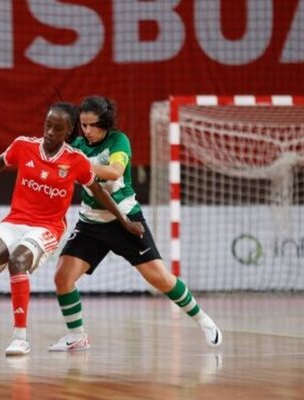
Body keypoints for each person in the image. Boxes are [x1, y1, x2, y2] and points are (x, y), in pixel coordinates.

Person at [0, 102, 144, 356]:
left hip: (47, 227)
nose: (50, 132)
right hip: (15, 220)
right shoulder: (24, 145)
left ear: (68, 133)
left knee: (18, 260)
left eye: (58, 128)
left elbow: (98, 191)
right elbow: (2, 159)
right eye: (48, 125)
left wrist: (124, 221)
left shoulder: (75, 160)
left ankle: (20, 337)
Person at [48, 96, 222, 352]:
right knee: (62, 278)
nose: (86, 131)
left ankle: (203, 320)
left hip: (126, 219)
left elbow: (115, 171)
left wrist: (78, 164)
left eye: (91, 125)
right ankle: (77, 335)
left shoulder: (118, 141)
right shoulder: (76, 145)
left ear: (104, 123)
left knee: (161, 279)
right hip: (90, 223)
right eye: (82, 125)